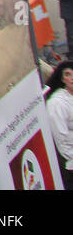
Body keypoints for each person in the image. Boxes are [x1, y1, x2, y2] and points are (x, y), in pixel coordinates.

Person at [44, 59, 73, 190]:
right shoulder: (57, 103)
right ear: (62, 79)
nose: (72, 78)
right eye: (68, 74)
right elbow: (62, 139)